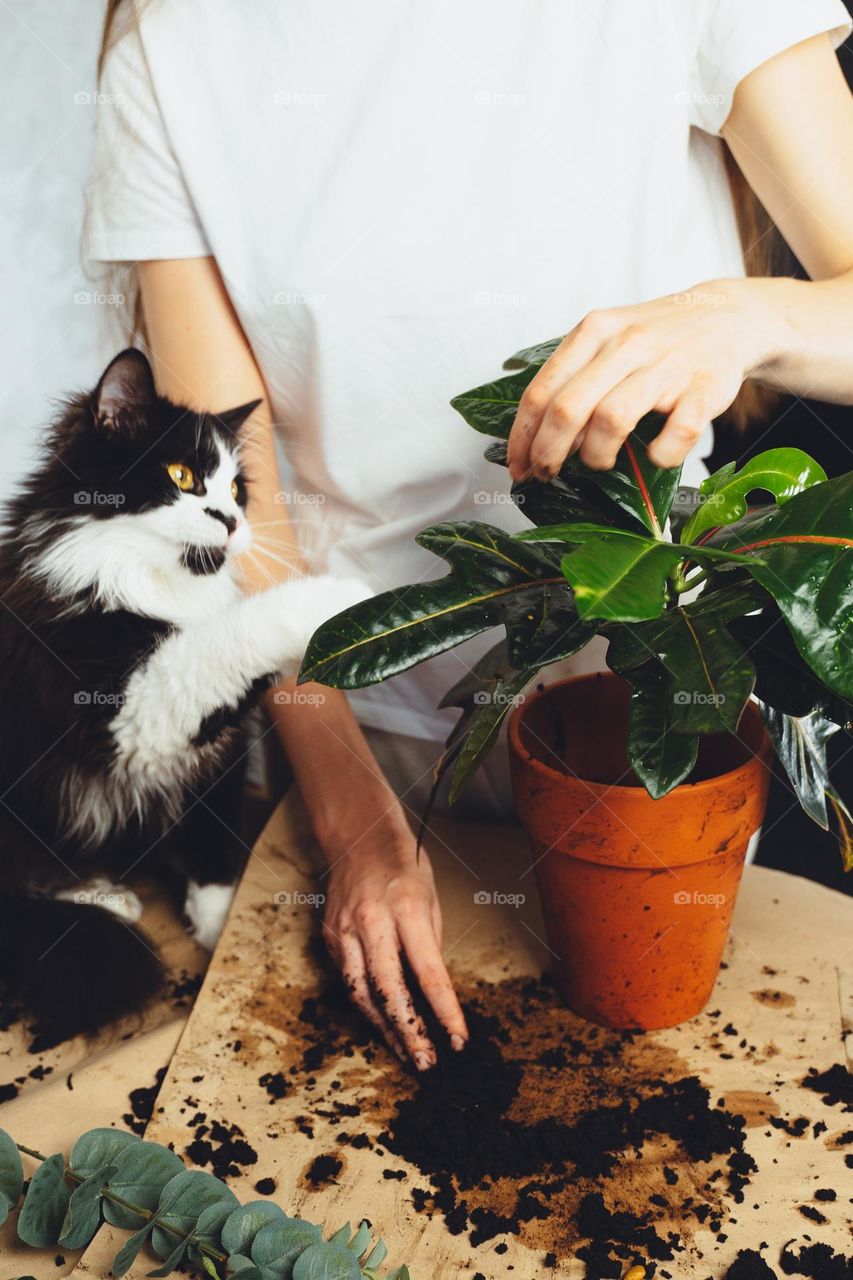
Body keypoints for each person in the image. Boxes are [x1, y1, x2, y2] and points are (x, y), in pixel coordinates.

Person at [86, 0, 853, 1069]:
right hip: (361, 730)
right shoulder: (169, 45)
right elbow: (242, 511)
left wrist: (746, 315)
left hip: (654, 707)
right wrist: (354, 824)